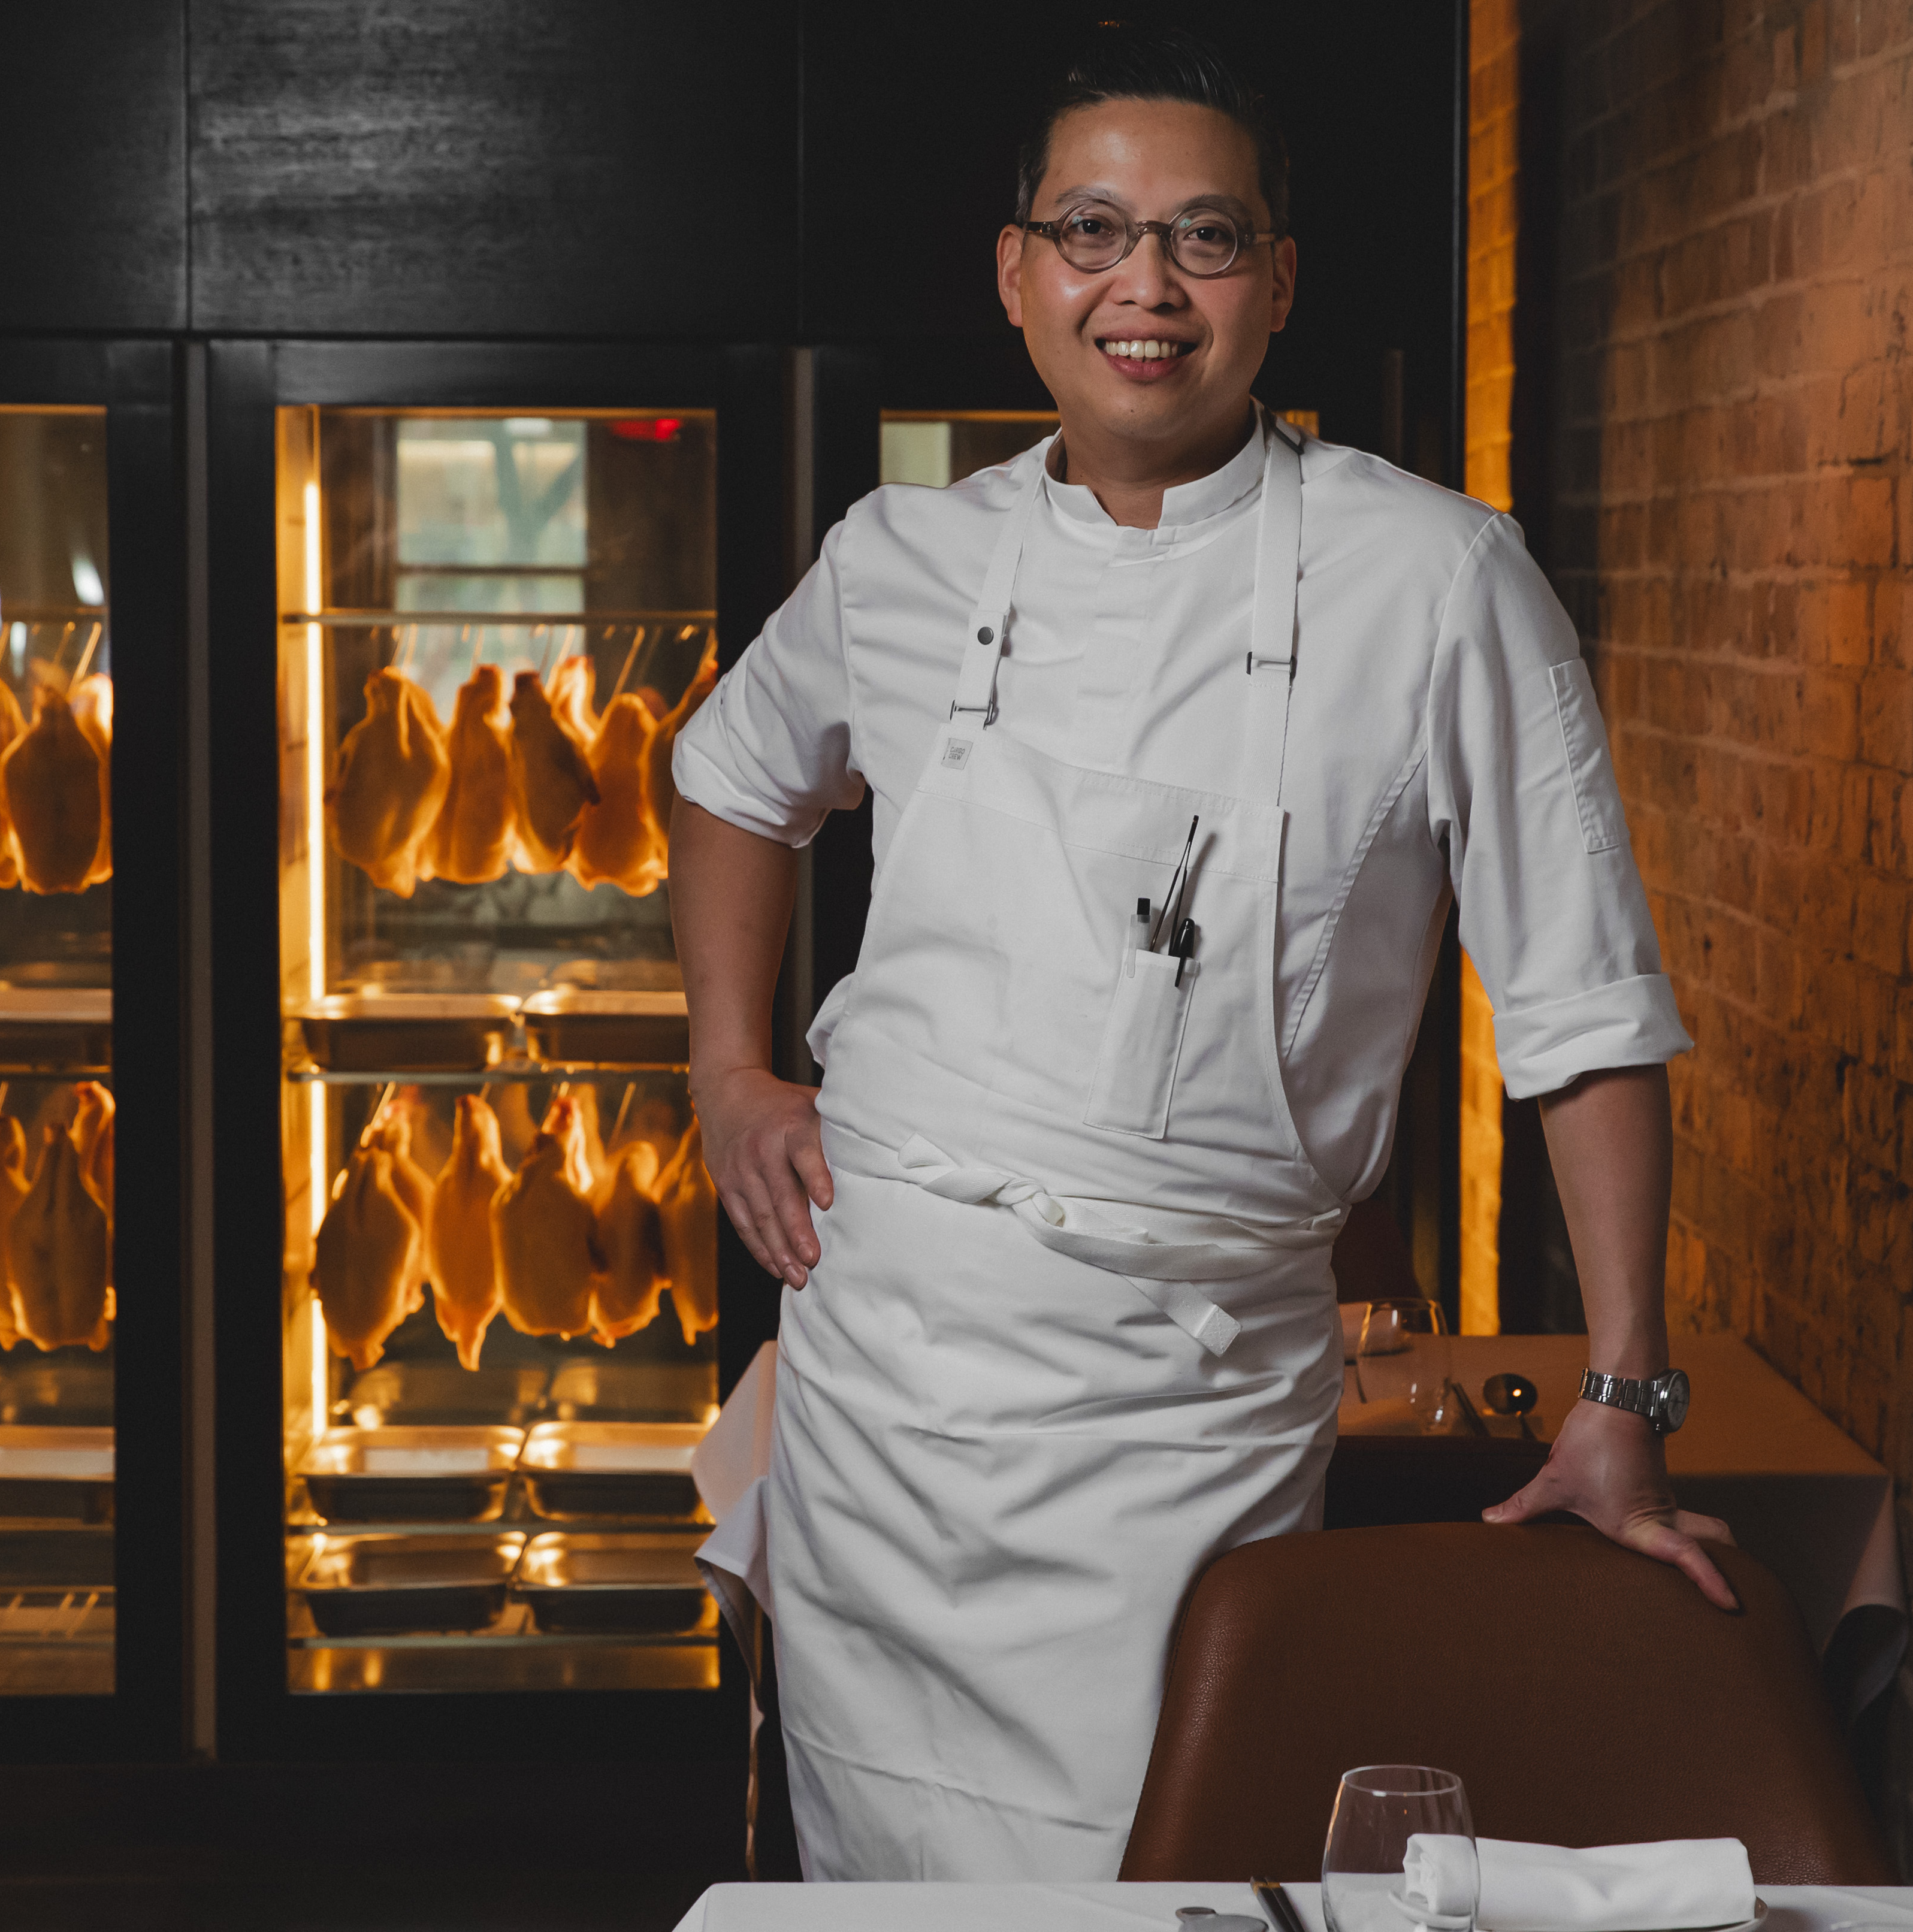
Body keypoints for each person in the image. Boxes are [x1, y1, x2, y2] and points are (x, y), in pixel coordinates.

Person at [667, 22, 1734, 1884]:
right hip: (878, 1404)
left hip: (1186, 1416)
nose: (1143, 286)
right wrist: (725, 1068)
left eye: (1204, 238)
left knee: (1162, 1879)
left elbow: (1581, 1002)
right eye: (1091, 231)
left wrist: (1624, 1393)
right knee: (878, 1899)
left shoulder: (1435, 577)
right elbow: (729, 776)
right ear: (1016, 274)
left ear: (1278, 283)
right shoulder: (899, 557)